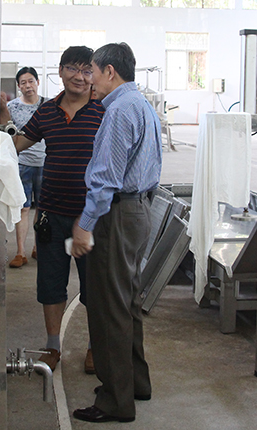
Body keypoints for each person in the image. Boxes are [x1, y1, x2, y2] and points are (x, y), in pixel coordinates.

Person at [70, 42, 163, 423]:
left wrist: (85, 225)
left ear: (110, 71)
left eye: (91, 71)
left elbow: (106, 177)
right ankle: (135, 383)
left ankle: (114, 401)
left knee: (109, 308)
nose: (88, 80)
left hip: (117, 215)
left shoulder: (119, 111)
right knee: (127, 303)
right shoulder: (142, 105)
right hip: (138, 210)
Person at [13, 46, 105, 374]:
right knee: (50, 285)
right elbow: (19, 143)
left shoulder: (104, 110)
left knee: (95, 288)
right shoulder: (48, 111)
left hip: (91, 218)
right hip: (51, 213)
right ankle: (53, 346)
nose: (80, 77)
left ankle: (95, 347)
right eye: (72, 69)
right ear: (61, 71)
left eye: (86, 70)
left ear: (94, 74)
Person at [3, 67, 46, 268]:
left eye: (31, 81)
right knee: (23, 207)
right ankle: (20, 252)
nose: (28, 86)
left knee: (43, 208)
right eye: (23, 83)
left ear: (37, 82)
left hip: (46, 163)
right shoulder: (11, 107)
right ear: (18, 86)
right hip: (21, 164)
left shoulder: (49, 106)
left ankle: (38, 247)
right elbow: (5, 133)